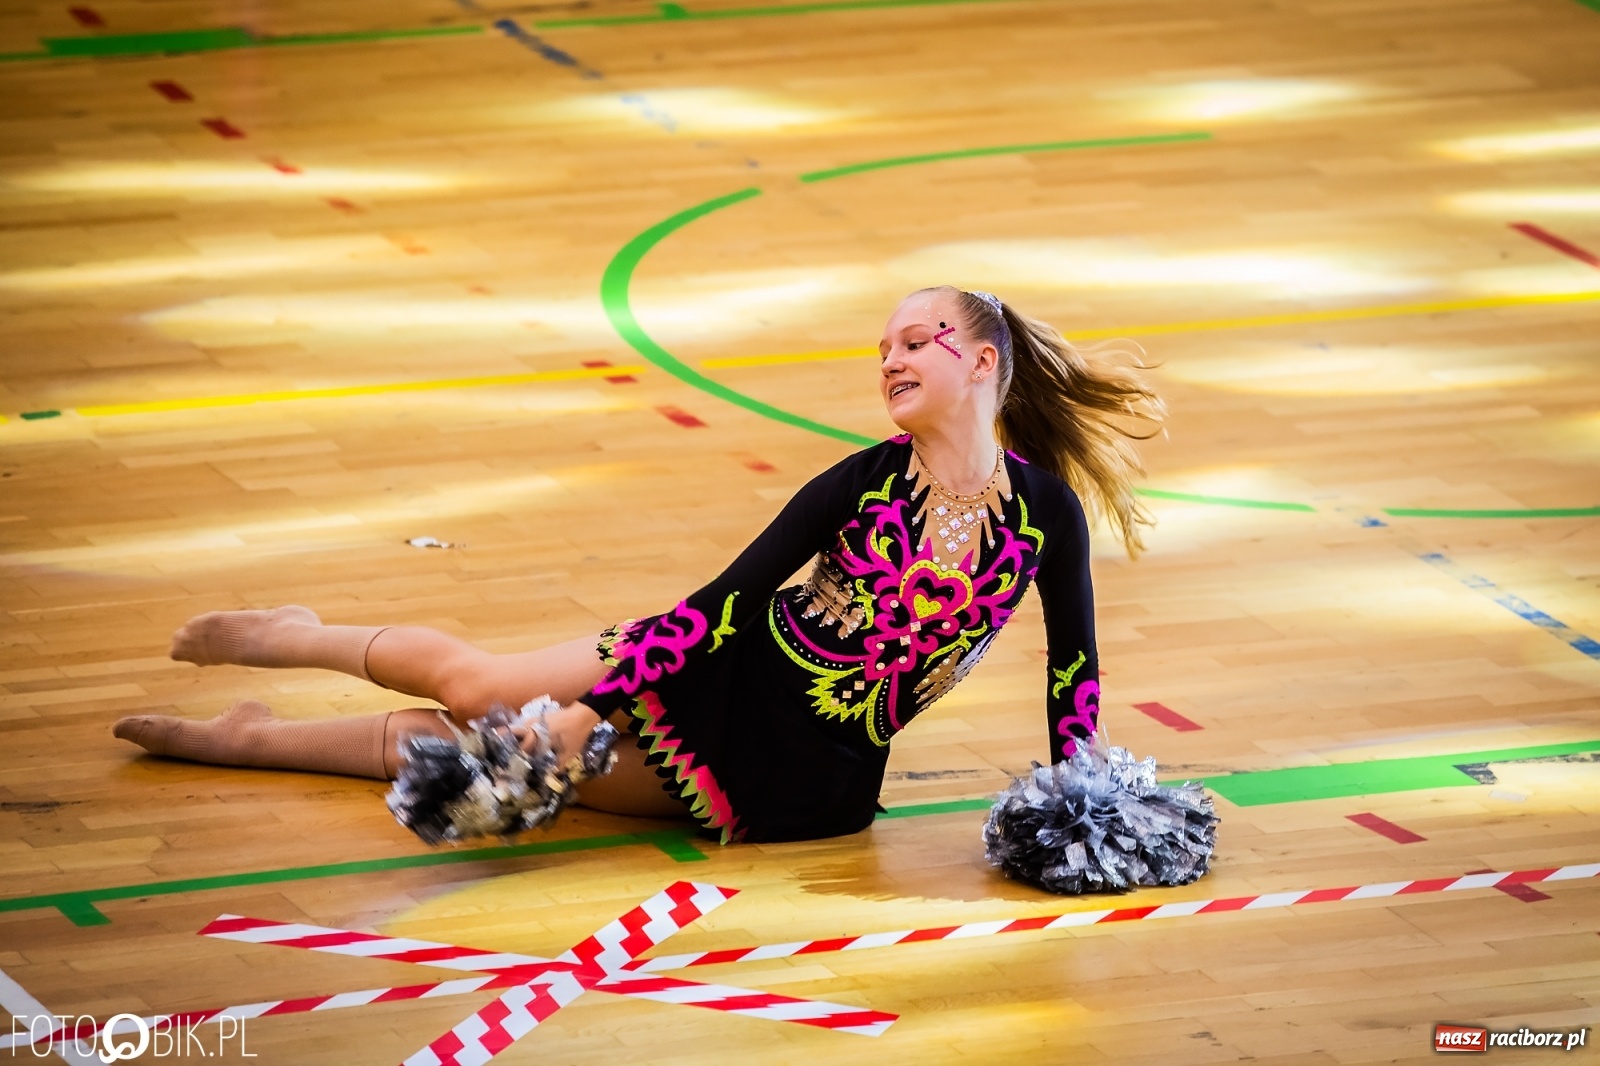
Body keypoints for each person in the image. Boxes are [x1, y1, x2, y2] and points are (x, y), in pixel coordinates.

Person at [114, 285, 1165, 844]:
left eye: (915, 338)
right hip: (710, 675)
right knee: (483, 688)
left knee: (483, 758)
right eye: (880, 345)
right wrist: (594, 704)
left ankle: (256, 741)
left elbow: (1072, 670)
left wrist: (1086, 804)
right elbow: (721, 607)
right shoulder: (858, 483)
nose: (889, 357)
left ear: (981, 362)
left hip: (807, 780)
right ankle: (296, 636)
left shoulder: (1043, 514)